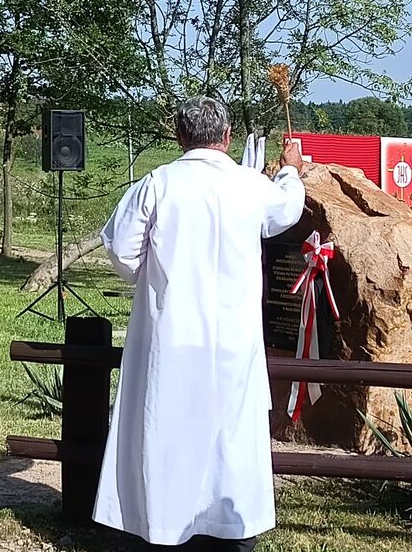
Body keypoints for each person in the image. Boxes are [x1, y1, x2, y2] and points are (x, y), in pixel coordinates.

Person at [93, 95, 306, 551]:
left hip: (171, 334)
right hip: (232, 339)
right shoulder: (249, 185)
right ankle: (228, 531)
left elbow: (121, 250)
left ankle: (163, 526)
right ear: (227, 136)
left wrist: (152, 276)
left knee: (168, 432)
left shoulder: (158, 184)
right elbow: (286, 209)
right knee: (230, 437)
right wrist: (290, 169)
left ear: (179, 135)